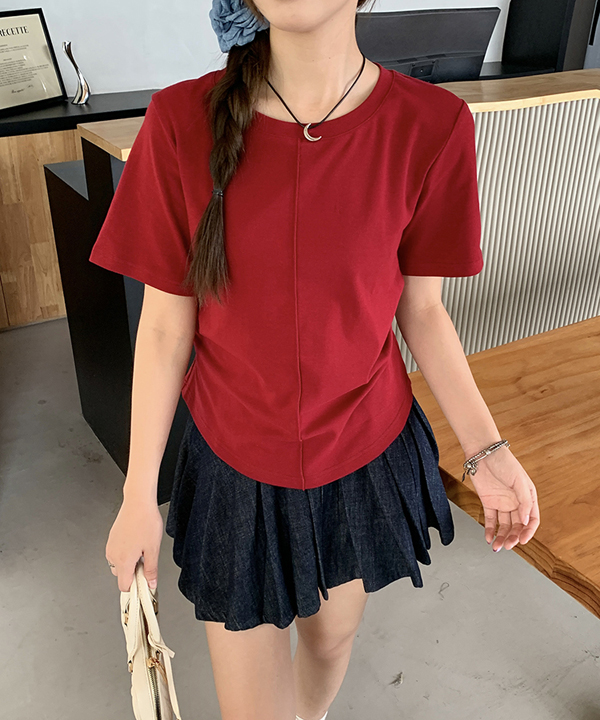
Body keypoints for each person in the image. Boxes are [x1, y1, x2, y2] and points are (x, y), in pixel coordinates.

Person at [93, 1, 541, 719]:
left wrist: (488, 452)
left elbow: (422, 309)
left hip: (361, 446)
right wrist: (138, 492)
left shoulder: (432, 125)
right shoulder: (180, 120)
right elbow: (165, 328)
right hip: (235, 456)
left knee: (331, 640)